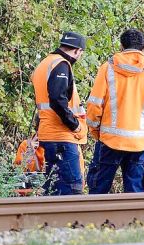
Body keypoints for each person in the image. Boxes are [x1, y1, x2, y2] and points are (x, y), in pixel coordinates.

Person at [85, 29, 144, 194]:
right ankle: (134, 221)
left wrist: (96, 132)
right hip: (140, 144)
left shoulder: (107, 68)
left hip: (110, 140)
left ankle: (94, 220)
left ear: (121, 46)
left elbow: (95, 105)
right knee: (135, 196)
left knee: (98, 192)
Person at [31, 31, 89, 195]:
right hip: (62, 136)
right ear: (77, 51)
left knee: (54, 188)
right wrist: (75, 125)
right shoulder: (61, 64)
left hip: (49, 134)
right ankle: (69, 221)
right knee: (72, 188)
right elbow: (57, 100)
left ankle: (52, 221)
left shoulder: (45, 63)